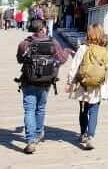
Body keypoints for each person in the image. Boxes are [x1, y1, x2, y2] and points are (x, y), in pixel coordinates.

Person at [16, 20, 70, 154]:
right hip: (46, 82)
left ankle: (30, 140)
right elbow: (61, 60)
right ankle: (39, 133)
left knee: (29, 110)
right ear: (44, 29)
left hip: (28, 81)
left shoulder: (25, 43)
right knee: (40, 108)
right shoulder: (53, 42)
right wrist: (67, 51)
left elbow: (19, 59)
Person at [66, 23, 108, 150]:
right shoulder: (106, 49)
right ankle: (90, 137)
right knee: (94, 111)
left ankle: (83, 133)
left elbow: (74, 66)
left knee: (83, 109)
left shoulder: (83, 48)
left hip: (84, 84)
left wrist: (69, 82)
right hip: (99, 85)